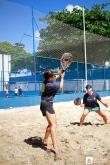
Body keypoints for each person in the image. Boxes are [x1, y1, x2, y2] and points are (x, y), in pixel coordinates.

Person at [40, 69, 64, 155]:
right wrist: (62, 77)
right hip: (47, 105)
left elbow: (54, 77)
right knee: (54, 125)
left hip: (43, 103)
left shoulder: (45, 81)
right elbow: (61, 86)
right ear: (49, 79)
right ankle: (55, 146)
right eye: (53, 76)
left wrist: (59, 74)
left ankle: (45, 140)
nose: (54, 77)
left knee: (51, 124)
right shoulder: (50, 86)